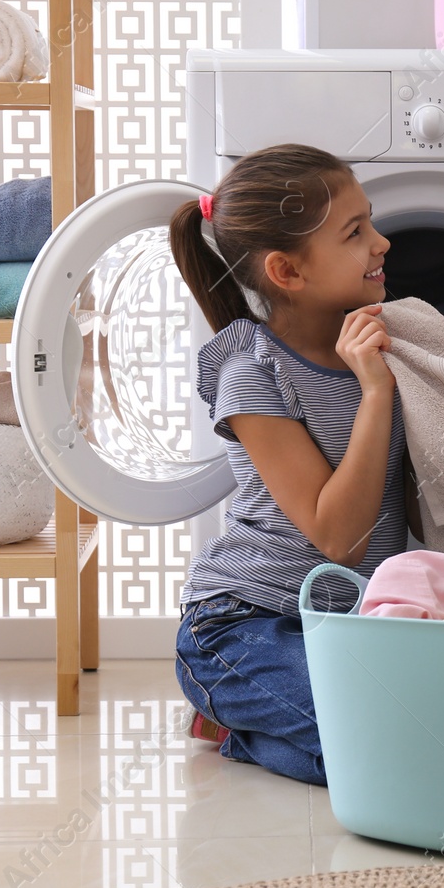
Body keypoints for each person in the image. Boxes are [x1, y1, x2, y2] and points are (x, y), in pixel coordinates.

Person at [167, 142, 417, 786]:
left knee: (434, 722)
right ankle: (237, 724)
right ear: (288, 271)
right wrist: (377, 392)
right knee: (381, 747)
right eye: (355, 232)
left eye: (372, 221)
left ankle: (246, 723)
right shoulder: (252, 373)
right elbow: (339, 538)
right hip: (242, 627)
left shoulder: (381, 345)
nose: (381, 243)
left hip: (348, 624)